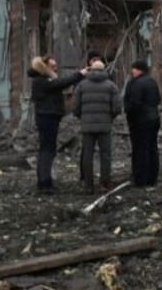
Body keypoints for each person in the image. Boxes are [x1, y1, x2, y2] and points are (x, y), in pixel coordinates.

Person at [29, 55, 86, 194]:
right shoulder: (41, 81)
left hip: (48, 116)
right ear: (45, 67)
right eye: (53, 66)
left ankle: (45, 181)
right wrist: (80, 74)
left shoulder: (41, 80)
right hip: (47, 117)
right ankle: (44, 183)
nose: (55, 68)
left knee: (48, 149)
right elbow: (61, 83)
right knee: (47, 150)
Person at [73, 60, 121, 194]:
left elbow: (75, 107)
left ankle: (88, 185)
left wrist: (82, 118)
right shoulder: (111, 86)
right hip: (105, 126)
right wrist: (110, 117)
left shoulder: (82, 86)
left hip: (87, 126)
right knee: (105, 155)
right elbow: (117, 107)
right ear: (104, 70)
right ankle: (104, 184)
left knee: (87, 155)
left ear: (90, 69)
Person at [124, 60, 162, 187]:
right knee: (152, 148)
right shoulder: (152, 82)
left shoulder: (135, 84)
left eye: (133, 69)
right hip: (154, 118)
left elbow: (134, 104)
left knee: (141, 150)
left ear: (139, 70)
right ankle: (152, 178)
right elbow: (158, 99)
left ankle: (141, 178)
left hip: (140, 121)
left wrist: (127, 111)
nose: (132, 71)